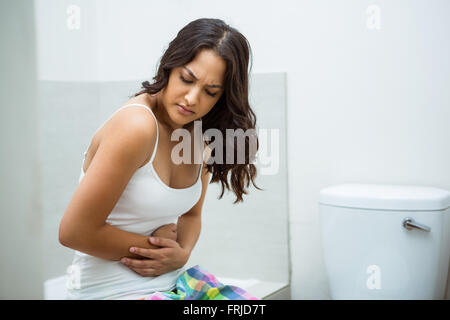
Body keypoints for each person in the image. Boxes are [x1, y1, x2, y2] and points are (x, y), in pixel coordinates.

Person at [59, 18, 260, 300]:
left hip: (171, 285)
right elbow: (75, 232)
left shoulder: (197, 134)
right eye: (187, 79)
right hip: (109, 292)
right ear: (170, 65)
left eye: (210, 92)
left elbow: (191, 215)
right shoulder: (137, 126)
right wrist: (155, 247)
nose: (192, 98)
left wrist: (182, 254)